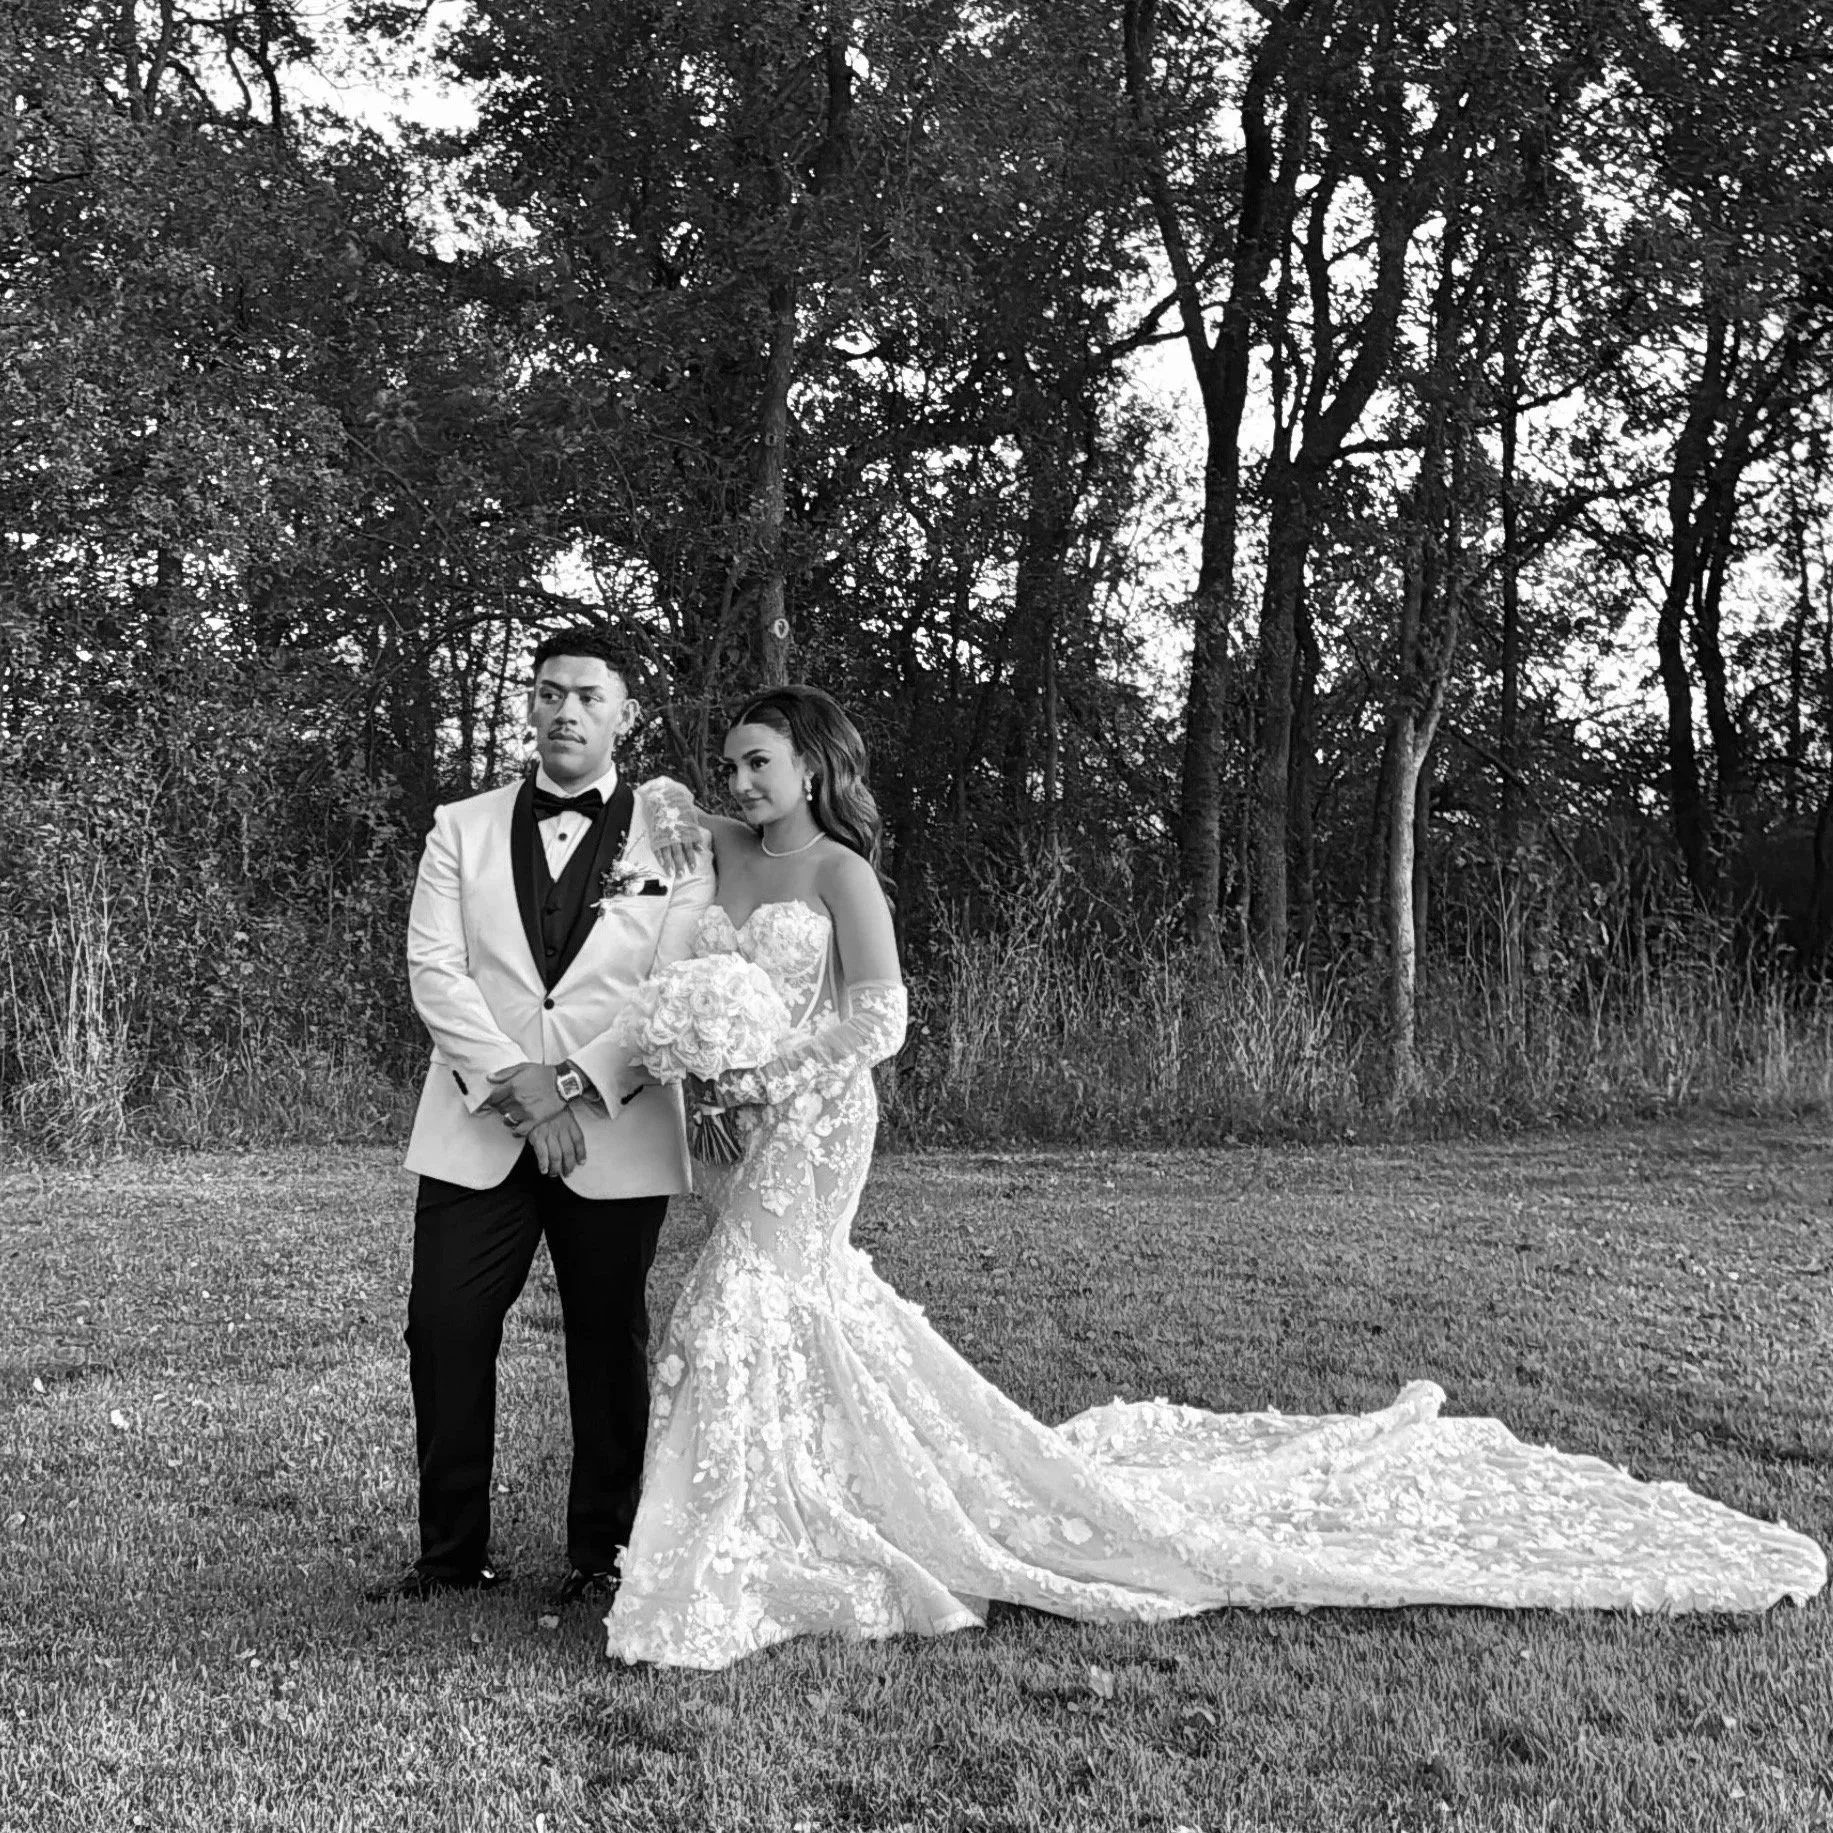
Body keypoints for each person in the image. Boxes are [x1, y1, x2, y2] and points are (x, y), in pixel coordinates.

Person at [598, 686, 1825, 1669]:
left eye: (760, 763)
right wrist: (700, 1052)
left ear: (815, 769)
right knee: (783, 1306)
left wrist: (766, 1076)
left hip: (815, 1120)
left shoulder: (838, 874)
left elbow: (881, 1018)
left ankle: (752, 1538)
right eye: (732, 763)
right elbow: (644, 818)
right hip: (737, 1121)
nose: (739, 781)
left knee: (738, 1301)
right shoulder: (722, 848)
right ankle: (802, 1500)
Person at [369, 628, 713, 1605]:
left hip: (615, 1126)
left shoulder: (672, 833)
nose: (567, 711)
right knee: (443, 1327)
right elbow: (435, 970)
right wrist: (521, 1087)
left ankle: (602, 1555)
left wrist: (572, 1086)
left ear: (624, 715)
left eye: (590, 697)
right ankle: (450, 1558)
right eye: (551, 692)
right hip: (478, 1123)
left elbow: (671, 984)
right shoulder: (460, 826)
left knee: (608, 1342)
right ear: (529, 704)